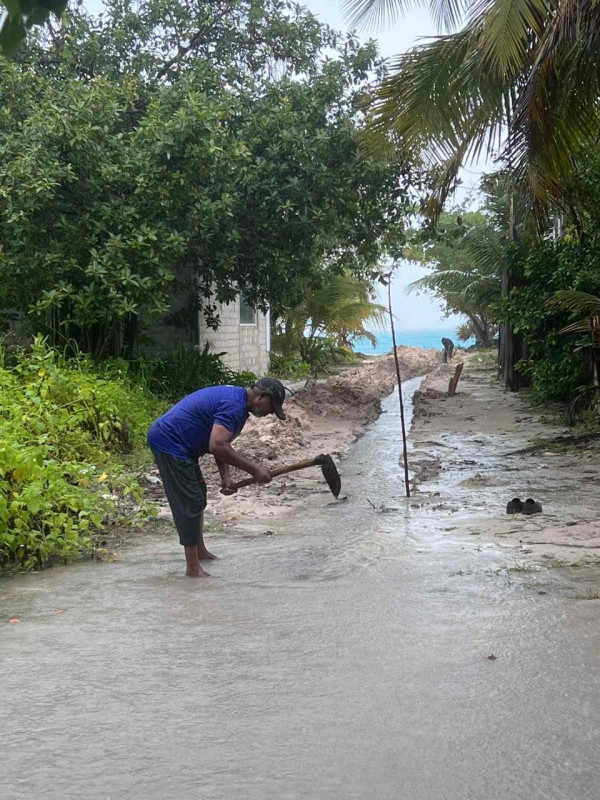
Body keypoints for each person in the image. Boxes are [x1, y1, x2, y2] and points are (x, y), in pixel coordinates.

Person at [147, 377, 287, 577]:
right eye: (271, 407)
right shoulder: (234, 406)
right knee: (190, 502)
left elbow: (221, 445)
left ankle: (200, 551)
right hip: (170, 442)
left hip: (184, 447)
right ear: (261, 397)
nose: (270, 413)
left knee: (199, 496)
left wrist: (226, 477)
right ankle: (193, 569)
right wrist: (255, 470)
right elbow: (217, 445)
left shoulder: (238, 404)